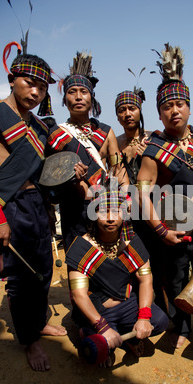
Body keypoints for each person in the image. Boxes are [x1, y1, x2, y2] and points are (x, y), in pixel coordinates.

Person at [0, 44, 69, 372]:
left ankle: (36, 323)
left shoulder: (39, 127)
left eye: (42, 87)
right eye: (29, 83)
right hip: (8, 205)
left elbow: (49, 168)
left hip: (36, 204)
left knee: (44, 268)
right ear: (12, 79)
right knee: (21, 277)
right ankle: (29, 339)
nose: (35, 92)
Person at [137, 44, 193, 349]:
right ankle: (178, 327)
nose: (175, 110)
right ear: (159, 112)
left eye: (180, 104)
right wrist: (161, 230)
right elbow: (141, 192)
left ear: (190, 107)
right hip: (170, 226)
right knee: (173, 278)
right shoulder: (154, 150)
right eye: (167, 106)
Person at [65, 179, 169, 367]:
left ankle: (127, 336)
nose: (111, 218)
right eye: (103, 211)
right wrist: (103, 327)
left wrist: (144, 317)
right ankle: (89, 330)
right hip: (99, 312)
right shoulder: (81, 248)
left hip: (127, 304)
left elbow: (146, 280)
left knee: (159, 320)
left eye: (116, 211)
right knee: (98, 351)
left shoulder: (132, 242)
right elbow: (78, 295)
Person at [47, 51, 129, 250]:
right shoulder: (56, 135)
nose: (78, 97)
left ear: (92, 98)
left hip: (105, 209)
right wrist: (72, 180)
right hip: (73, 210)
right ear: (65, 99)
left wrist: (124, 202)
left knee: (107, 263)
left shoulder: (105, 132)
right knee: (79, 265)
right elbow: (51, 182)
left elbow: (119, 172)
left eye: (83, 92)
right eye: (71, 92)